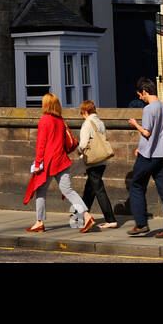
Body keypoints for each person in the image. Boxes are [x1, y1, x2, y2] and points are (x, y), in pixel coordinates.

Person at [23, 93, 94, 234]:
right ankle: (87, 216)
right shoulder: (60, 120)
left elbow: (41, 145)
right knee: (69, 191)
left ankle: (39, 222)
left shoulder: (44, 120)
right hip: (61, 161)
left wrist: (37, 163)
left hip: (49, 162)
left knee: (41, 191)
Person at [126, 78, 163, 238]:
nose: (140, 98)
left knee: (136, 186)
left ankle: (141, 224)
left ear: (144, 91)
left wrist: (135, 124)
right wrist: (139, 147)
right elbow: (159, 134)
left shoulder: (149, 109)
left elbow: (147, 132)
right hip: (162, 155)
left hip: (148, 156)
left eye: (140, 95)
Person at [77, 100, 117, 229]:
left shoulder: (87, 124)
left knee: (98, 189)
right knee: (90, 189)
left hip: (92, 161)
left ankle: (110, 219)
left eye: (82, 113)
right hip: (102, 160)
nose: (82, 115)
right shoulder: (100, 122)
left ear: (85, 112)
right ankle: (81, 216)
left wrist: (78, 151)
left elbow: (83, 144)